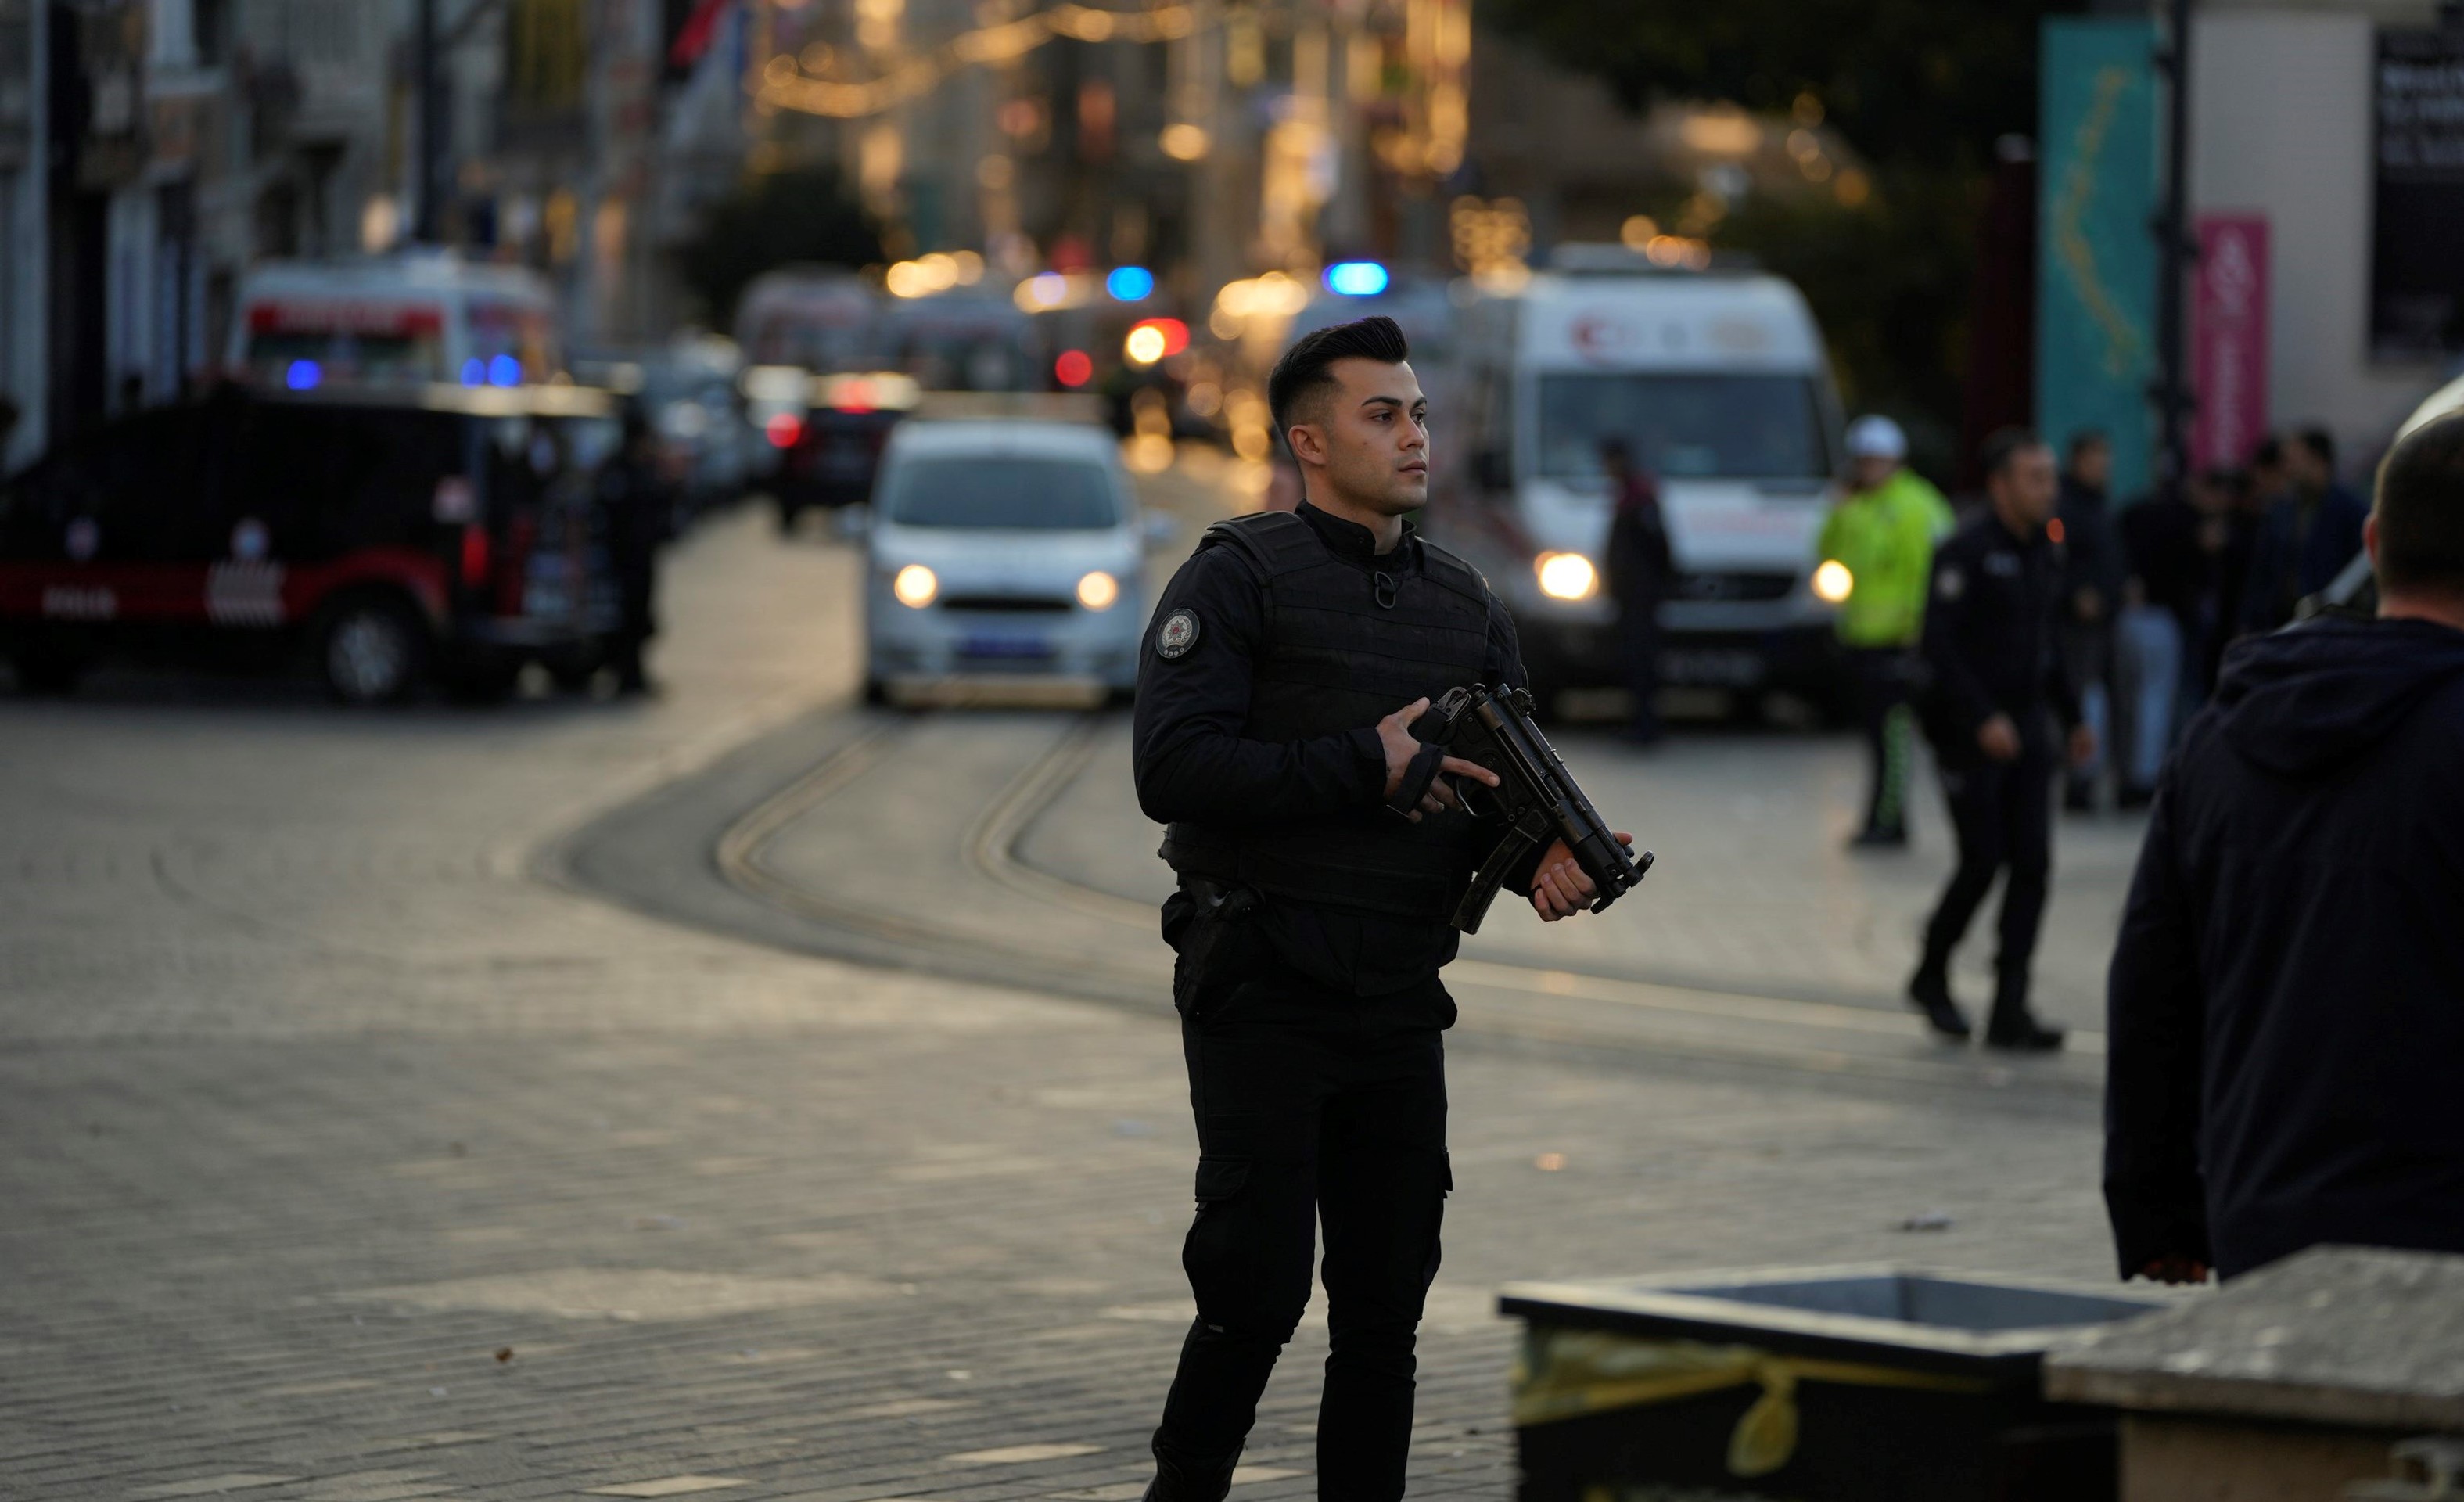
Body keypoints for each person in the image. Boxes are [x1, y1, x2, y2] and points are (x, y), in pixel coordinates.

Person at [1132, 315, 1630, 1501]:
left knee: (1383, 1309)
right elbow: (1174, 770)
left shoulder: (1462, 604)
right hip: (1262, 979)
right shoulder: (1236, 576)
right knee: (1252, 1295)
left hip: (1399, 1000)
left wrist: (1540, 858)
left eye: (1416, 412)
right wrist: (1363, 756)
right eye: (1381, 414)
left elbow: (1490, 784)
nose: (1413, 435)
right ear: (1308, 440)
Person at [2104, 410, 2464, 1285]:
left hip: (2263, 1224)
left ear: (2374, 542)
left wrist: (2157, 1209)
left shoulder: (2221, 733)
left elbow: (2153, 986)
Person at [1908, 429, 2096, 1049]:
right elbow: (1938, 646)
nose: (2049, 488)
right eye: (2035, 477)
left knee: (2034, 866)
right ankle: (1932, 972)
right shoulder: (1965, 551)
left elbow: (2048, 644)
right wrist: (1981, 717)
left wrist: (2073, 718)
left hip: (2029, 730)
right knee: (1983, 860)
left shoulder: (2047, 549)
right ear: (2000, 485)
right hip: (1969, 734)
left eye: (2050, 476)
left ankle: (2010, 1005)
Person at [1819, 415, 1952, 847]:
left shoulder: (1915, 506)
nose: (1867, 468)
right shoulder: (1859, 505)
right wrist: (1838, 509)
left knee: (1893, 739)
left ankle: (1890, 822)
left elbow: (1927, 576)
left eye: (1876, 460)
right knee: (1876, 737)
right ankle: (1881, 818)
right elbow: (1828, 554)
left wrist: (1918, 633)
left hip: (1899, 641)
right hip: (1862, 639)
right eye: (1862, 461)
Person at [2240, 425, 2367, 634]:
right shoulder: (2282, 511)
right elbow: (2262, 573)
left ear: (2316, 460)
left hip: (2332, 630)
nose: (2288, 468)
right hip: (2284, 626)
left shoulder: (2350, 512)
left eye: (2294, 459)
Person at [2054, 432, 2123, 812]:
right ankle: (2078, 782)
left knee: (2103, 702)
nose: (2102, 467)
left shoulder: (2098, 502)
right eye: (2095, 459)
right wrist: (2076, 593)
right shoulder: (2067, 504)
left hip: (2105, 620)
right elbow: (2059, 557)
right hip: (2078, 625)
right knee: (2081, 702)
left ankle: (2094, 778)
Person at [1600, 437, 1672, 745]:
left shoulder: (1639, 497)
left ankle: (1646, 727)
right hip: (1631, 596)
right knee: (1633, 661)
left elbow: (1659, 549)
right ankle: (1640, 724)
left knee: (1642, 662)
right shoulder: (1630, 494)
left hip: (1640, 597)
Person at [598, 408, 673, 695]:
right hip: (624, 557)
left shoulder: (645, 468)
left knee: (641, 615)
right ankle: (625, 674)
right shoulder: (620, 470)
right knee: (627, 616)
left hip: (643, 556)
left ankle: (635, 673)